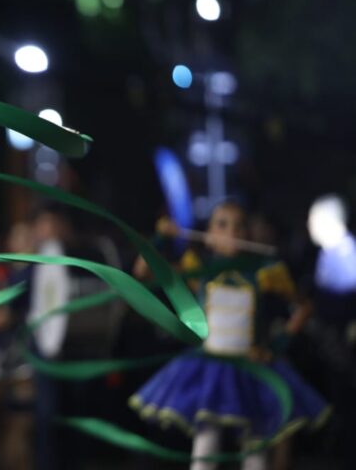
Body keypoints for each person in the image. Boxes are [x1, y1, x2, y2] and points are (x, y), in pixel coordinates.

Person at [129, 201, 329, 470]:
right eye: (222, 224)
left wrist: (278, 343)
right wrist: (162, 238)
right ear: (209, 235)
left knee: (256, 454)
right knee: (205, 450)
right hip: (210, 370)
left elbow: (304, 307)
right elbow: (142, 271)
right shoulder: (199, 270)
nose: (232, 231)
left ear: (249, 233)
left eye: (240, 225)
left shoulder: (265, 272)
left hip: (253, 370)